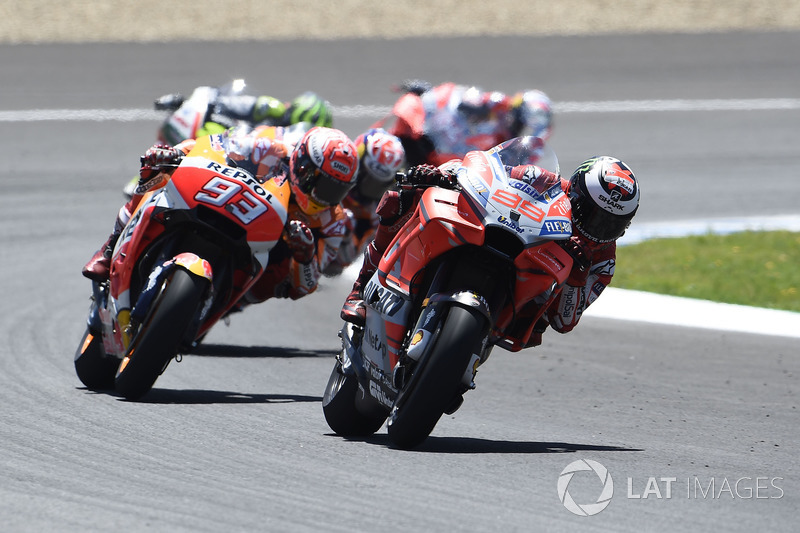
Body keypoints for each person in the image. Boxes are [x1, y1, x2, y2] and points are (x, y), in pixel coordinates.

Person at [340, 153, 640, 347]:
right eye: (593, 216)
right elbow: (489, 171)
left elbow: (565, 322)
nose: (598, 231)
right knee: (401, 198)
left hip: (523, 303)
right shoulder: (544, 181)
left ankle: (462, 358)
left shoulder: (603, 259)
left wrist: (578, 273)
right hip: (506, 243)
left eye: (610, 225)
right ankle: (361, 288)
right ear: (573, 193)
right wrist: (445, 174)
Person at [83, 125, 360, 304]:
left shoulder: (334, 221)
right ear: (301, 166)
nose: (325, 197)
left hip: (261, 255)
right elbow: (211, 145)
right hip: (229, 200)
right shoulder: (270, 148)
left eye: (336, 190)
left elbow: (306, 286)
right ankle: (110, 248)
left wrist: (305, 254)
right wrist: (174, 153)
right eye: (322, 184)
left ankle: (215, 299)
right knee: (158, 174)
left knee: (272, 282)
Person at [375, 80, 553, 166]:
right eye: (521, 124)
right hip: (423, 139)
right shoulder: (497, 104)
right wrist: (428, 95)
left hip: (444, 168)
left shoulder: (510, 148)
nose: (519, 131)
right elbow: (464, 99)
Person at [325, 128, 406, 276]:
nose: (368, 189)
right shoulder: (331, 169)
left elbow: (339, 266)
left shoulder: (374, 215)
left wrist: (346, 237)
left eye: (376, 185)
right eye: (367, 178)